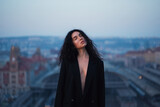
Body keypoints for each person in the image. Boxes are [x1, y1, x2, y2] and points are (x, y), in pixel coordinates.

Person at [54, 29, 105, 107]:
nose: (80, 38)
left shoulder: (98, 63)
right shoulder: (67, 62)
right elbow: (60, 88)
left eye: (81, 35)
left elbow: (101, 92)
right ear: (72, 44)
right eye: (75, 38)